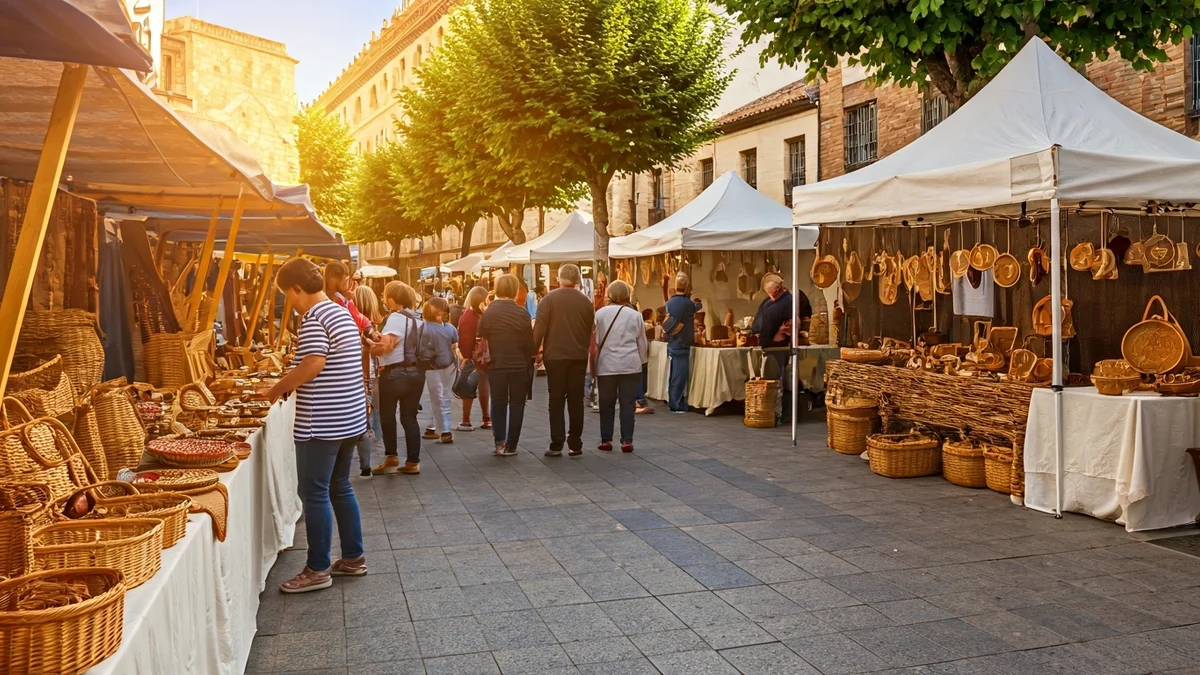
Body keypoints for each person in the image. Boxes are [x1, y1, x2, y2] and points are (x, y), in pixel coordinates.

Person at [266, 258, 367, 593]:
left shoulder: (314, 317)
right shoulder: (340, 311)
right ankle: (353, 558)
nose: (290, 303)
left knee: (314, 492)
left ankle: (318, 568)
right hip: (349, 417)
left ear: (297, 289)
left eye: (288, 295)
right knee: (340, 486)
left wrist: (275, 390)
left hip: (322, 421)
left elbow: (313, 363)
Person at [533, 264, 594, 458]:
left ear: (559, 278)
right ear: (577, 279)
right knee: (576, 400)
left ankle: (557, 442)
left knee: (556, 398)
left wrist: (535, 351)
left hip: (555, 356)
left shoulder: (548, 300)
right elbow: (589, 330)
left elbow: (539, 330)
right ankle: (575, 442)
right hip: (577, 355)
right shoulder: (586, 302)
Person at [368, 281, 425, 475]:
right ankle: (413, 461)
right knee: (410, 417)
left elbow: (387, 345)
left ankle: (391, 456)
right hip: (417, 373)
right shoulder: (418, 318)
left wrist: (369, 345)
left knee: (387, 415)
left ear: (391, 299)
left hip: (394, 373)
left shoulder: (395, 317)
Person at [478, 273, 534, 457]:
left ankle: (499, 442)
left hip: (497, 364)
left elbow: (482, 336)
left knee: (498, 402)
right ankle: (512, 444)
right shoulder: (522, 313)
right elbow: (528, 344)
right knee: (517, 403)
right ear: (515, 290)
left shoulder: (489, 312)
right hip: (518, 364)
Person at [593, 280, 648, 453]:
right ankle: (627, 440)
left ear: (609, 294)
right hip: (630, 364)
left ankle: (606, 438)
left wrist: (593, 367)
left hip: (606, 365)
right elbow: (642, 342)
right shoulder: (635, 315)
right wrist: (642, 361)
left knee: (606, 403)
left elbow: (595, 342)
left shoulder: (599, 314)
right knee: (628, 403)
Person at [752, 274, 812, 422]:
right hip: (786, 347)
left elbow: (765, 338)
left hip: (775, 350)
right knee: (787, 382)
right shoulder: (791, 301)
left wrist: (773, 334)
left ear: (773, 292)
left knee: (776, 384)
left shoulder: (775, 307)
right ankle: (788, 413)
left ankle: (777, 414)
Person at [351, 285, 385, 477]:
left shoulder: (353, 322)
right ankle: (367, 463)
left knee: (360, 417)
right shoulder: (375, 324)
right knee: (371, 413)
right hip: (374, 372)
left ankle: (364, 463)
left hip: (357, 373)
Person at [420, 296, 459, 444]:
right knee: (442, 397)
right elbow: (454, 347)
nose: (441, 314)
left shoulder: (422, 327)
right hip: (445, 365)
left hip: (433, 366)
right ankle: (444, 430)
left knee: (438, 397)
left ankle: (440, 428)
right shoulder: (449, 328)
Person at [661, 273, 696, 414]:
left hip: (672, 342)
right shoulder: (688, 304)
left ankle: (673, 401)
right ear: (687, 287)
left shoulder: (670, 303)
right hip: (683, 342)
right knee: (680, 375)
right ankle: (677, 404)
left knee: (674, 374)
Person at [457, 286, 491, 431]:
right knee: (484, 385)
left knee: (467, 385)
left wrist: (465, 356)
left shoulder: (467, 316)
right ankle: (486, 418)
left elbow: (464, 339)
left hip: (472, 355)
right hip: (487, 355)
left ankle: (466, 419)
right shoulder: (487, 314)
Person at [324, 261, 374, 335]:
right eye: (345, 275)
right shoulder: (340, 299)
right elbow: (360, 320)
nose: (346, 278)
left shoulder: (340, 297)